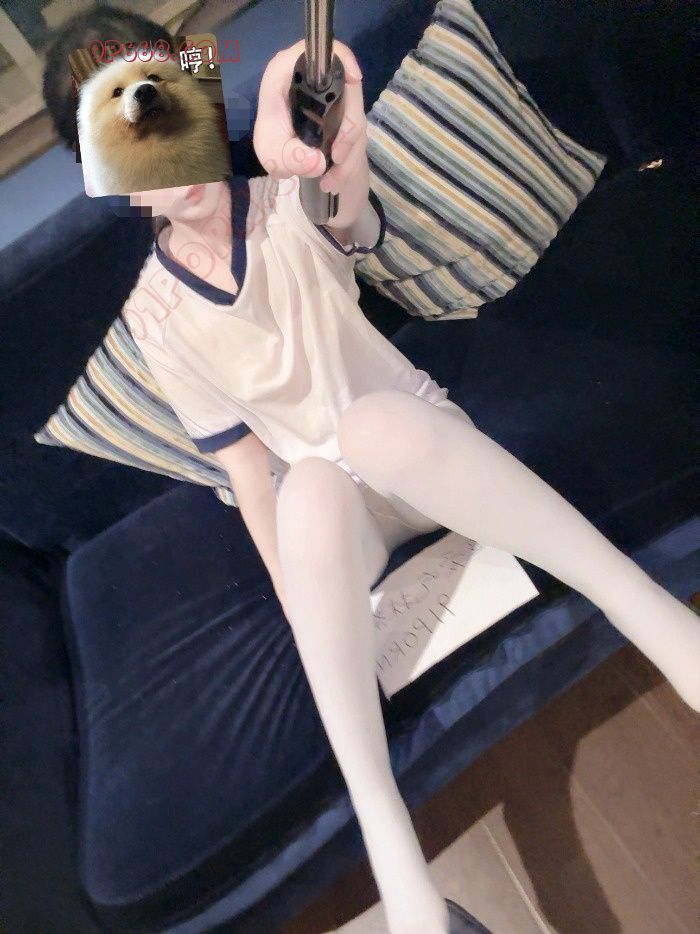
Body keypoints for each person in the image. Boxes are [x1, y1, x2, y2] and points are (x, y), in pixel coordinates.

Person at [43, 14, 699, 934]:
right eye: (124, 135)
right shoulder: (156, 319)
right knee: (306, 486)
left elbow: (342, 208)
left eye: (168, 104)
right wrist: (310, 607)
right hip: (340, 521)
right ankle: (395, 854)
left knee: (373, 423)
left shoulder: (282, 197)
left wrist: (330, 141)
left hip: (416, 451)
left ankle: (650, 613)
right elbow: (249, 476)